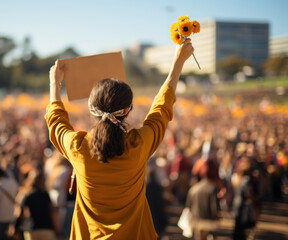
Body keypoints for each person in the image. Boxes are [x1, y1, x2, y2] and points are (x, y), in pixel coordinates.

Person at [45, 39, 194, 239]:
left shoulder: (78, 148)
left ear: (91, 110)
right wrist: (178, 62)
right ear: (128, 110)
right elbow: (161, 109)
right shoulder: (138, 145)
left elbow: (56, 123)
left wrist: (55, 83)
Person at [185, 160, 220, 240]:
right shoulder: (213, 188)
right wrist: (216, 219)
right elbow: (214, 207)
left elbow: (188, 206)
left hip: (196, 220)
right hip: (208, 222)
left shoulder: (194, 188)